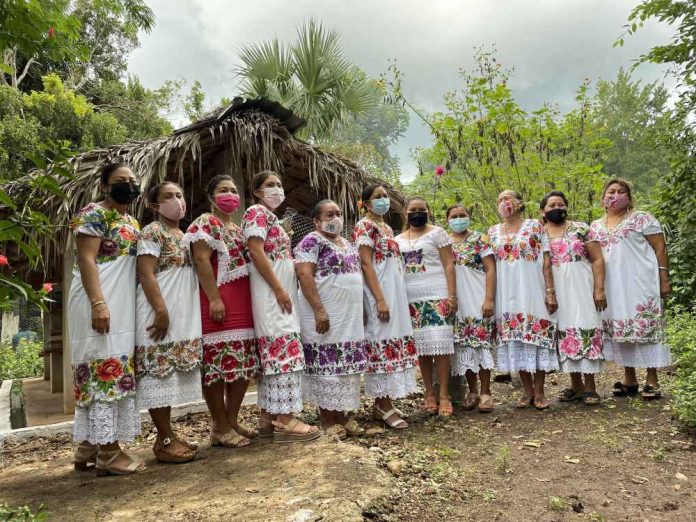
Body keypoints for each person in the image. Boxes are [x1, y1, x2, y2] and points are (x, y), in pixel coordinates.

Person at [69, 162, 145, 476]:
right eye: (119, 180)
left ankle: (88, 445)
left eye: (131, 180)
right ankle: (109, 452)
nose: (127, 184)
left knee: (112, 362)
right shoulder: (92, 214)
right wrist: (98, 303)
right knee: (103, 364)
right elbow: (87, 258)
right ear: (104, 186)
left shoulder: (133, 221)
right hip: (97, 298)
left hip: (122, 301)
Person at [242, 171, 319, 442]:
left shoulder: (272, 217)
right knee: (283, 345)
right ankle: (285, 419)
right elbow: (255, 250)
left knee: (276, 346)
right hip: (270, 289)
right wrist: (277, 288)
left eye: (278, 184)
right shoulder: (256, 212)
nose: (276, 189)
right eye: (269, 185)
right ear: (257, 191)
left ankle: (267, 417)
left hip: (279, 287)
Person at [185, 175, 259, 448]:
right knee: (218, 365)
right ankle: (218, 424)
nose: (230, 194)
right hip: (217, 302)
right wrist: (214, 298)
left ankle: (232, 419)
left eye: (233, 190)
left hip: (242, 303)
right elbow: (201, 259)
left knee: (241, 364)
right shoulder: (206, 223)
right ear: (211, 197)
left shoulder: (239, 229)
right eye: (223, 190)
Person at [135, 181, 202, 463]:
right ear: (154, 205)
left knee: (171, 375)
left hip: (182, 314)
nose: (177, 200)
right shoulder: (152, 231)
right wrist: (160, 311)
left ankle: (169, 435)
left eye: (179, 194)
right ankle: (163, 440)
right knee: (158, 374)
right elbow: (146, 273)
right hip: (158, 312)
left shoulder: (183, 234)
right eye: (168, 196)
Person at [589, 178, 671, 400]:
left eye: (621, 191)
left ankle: (652, 380)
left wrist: (664, 278)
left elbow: (660, 247)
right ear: (603, 197)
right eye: (611, 191)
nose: (615, 195)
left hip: (641, 283)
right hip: (612, 286)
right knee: (621, 331)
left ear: (629, 196)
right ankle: (630, 379)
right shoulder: (595, 226)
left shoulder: (642, 219)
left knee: (646, 327)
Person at [295, 200, 368, 438]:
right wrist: (319, 309)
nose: (335, 217)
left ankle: (344, 416)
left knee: (346, 368)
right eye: (329, 214)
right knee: (326, 365)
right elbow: (305, 275)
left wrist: (362, 307)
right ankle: (327, 420)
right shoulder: (311, 241)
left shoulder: (347, 243)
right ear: (317, 221)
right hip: (325, 314)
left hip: (349, 318)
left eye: (338, 213)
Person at [352, 184, 418, 429]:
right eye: (377, 197)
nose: (383, 200)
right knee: (380, 342)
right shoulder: (364, 226)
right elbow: (366, 264)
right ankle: (383, 405)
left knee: (393, 342)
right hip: (378, 292)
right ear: (366, 204)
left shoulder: (387, 227)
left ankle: (384, 402)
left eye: (385, 196)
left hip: (394, 291)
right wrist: (379, 298)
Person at [488, 190, 558, 410]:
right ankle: (527, 390)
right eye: (500, 200)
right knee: (516, 340)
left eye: (509, 199)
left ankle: (540, 390)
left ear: (520, 202)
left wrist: (549, 291)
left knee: (536, 337)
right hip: (505, 294)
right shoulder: (492, 232)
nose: (505, 203)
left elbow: (546, 259)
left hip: (532, 289)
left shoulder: (535, 226)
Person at [540, 191, 607, 406]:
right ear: (542, 211)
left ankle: (590, 388)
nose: (556, 208)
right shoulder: (539, 233)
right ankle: (576, 386)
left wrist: (598, 289)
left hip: (581, 287)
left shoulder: (582, 229)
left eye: (560, 204)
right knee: (565, 331)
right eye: (551, 205)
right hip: (554, 290)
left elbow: (597, 259)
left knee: (585, 327)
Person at [395, 197, 457, 416]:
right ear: (405, 213)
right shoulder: (398, 240)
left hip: (437, 294)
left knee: (440, 346)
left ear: (428, 211)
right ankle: (429, 393)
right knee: (422, 348)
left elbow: (449, 263)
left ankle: (444, 395)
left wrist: (451, 295)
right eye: (413, 210)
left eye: (422, 209)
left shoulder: (437, 233)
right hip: (411, 298)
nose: (418, 213)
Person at [447, 204, 497, 413]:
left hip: (477, 297)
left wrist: (489, 299)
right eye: (454, 216)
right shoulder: (444, 242)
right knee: (464, 347)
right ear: (447, 220)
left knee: (481, 345)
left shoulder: (479, 238)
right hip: (456, 302)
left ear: (469, 217)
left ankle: (486, 391)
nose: (459, 219)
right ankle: (473, 391)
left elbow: (490, 268)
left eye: (462, 215)